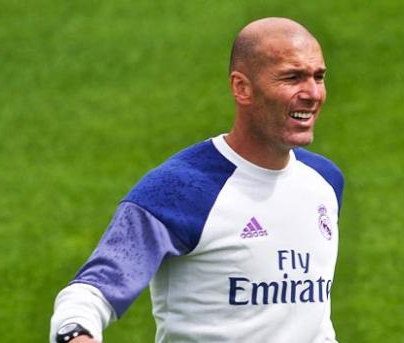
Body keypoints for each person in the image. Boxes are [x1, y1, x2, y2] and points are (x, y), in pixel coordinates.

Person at [50, 17, 344, 343]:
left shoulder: (325, 181)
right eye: (292, 77)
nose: (313, 93)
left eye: (319, 77)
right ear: (241, 87)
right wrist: (76, 332)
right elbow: (94, 289)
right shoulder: (180, 190)